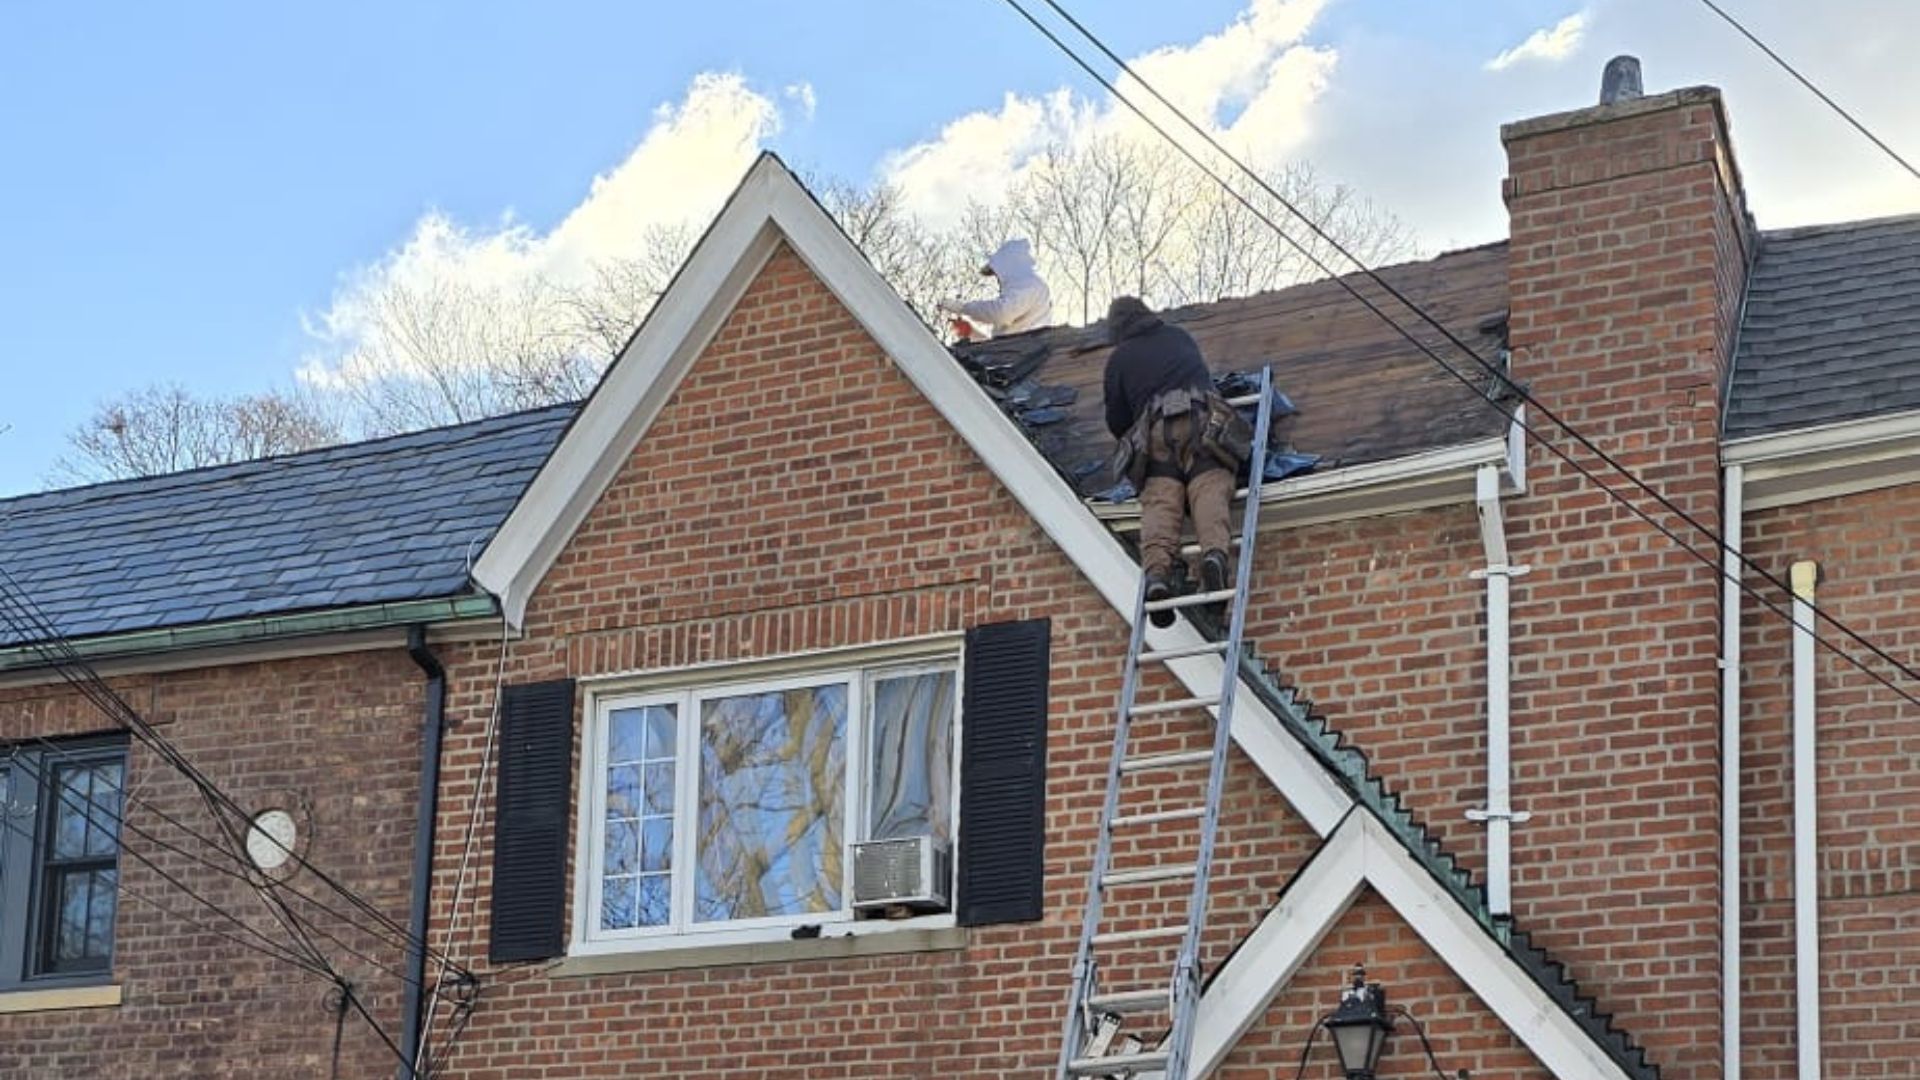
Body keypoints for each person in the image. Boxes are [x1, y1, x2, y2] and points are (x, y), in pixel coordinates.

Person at [1103, 296, 1234, 627]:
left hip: (1155, 430)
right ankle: (1214, 556)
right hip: (1201, 418)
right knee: (1208, 485)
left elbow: (1117, 422)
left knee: (1161, 499)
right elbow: (1205, 379)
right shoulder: (1178, 336)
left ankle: (1158, 575)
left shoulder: (1119, 359)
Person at [938, 239, 1051, 337]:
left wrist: (963, 308)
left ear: (1008, 267)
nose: (998, 279)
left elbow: (1002, 313)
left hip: (1029, 354)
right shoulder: (1019, 292)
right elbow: (998, 345)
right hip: (1017, 354)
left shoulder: (1031, 285)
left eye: (997, 274)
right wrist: (970, 332)